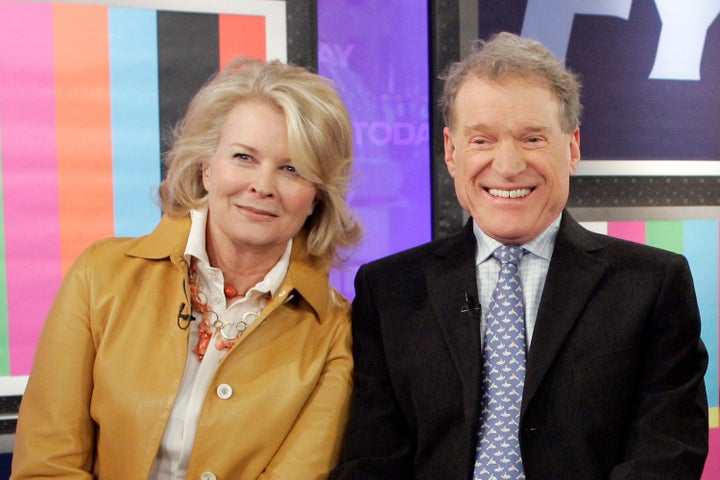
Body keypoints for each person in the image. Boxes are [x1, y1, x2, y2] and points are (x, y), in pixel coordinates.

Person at [330, 32, 709, 479]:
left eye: (532, 139)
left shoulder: (652, 283)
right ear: (452, 152)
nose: (507, 165)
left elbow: (667, 453)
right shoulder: (388, 290)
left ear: (571, 148)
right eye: (482, 141)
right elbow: (372, 460)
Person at [11, 57, 361, 479]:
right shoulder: (99, 276)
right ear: (206, 167)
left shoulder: (337, 331)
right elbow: (47, 466)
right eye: (244, 157)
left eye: (291, 169)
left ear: (317, 196)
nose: (263, 186)